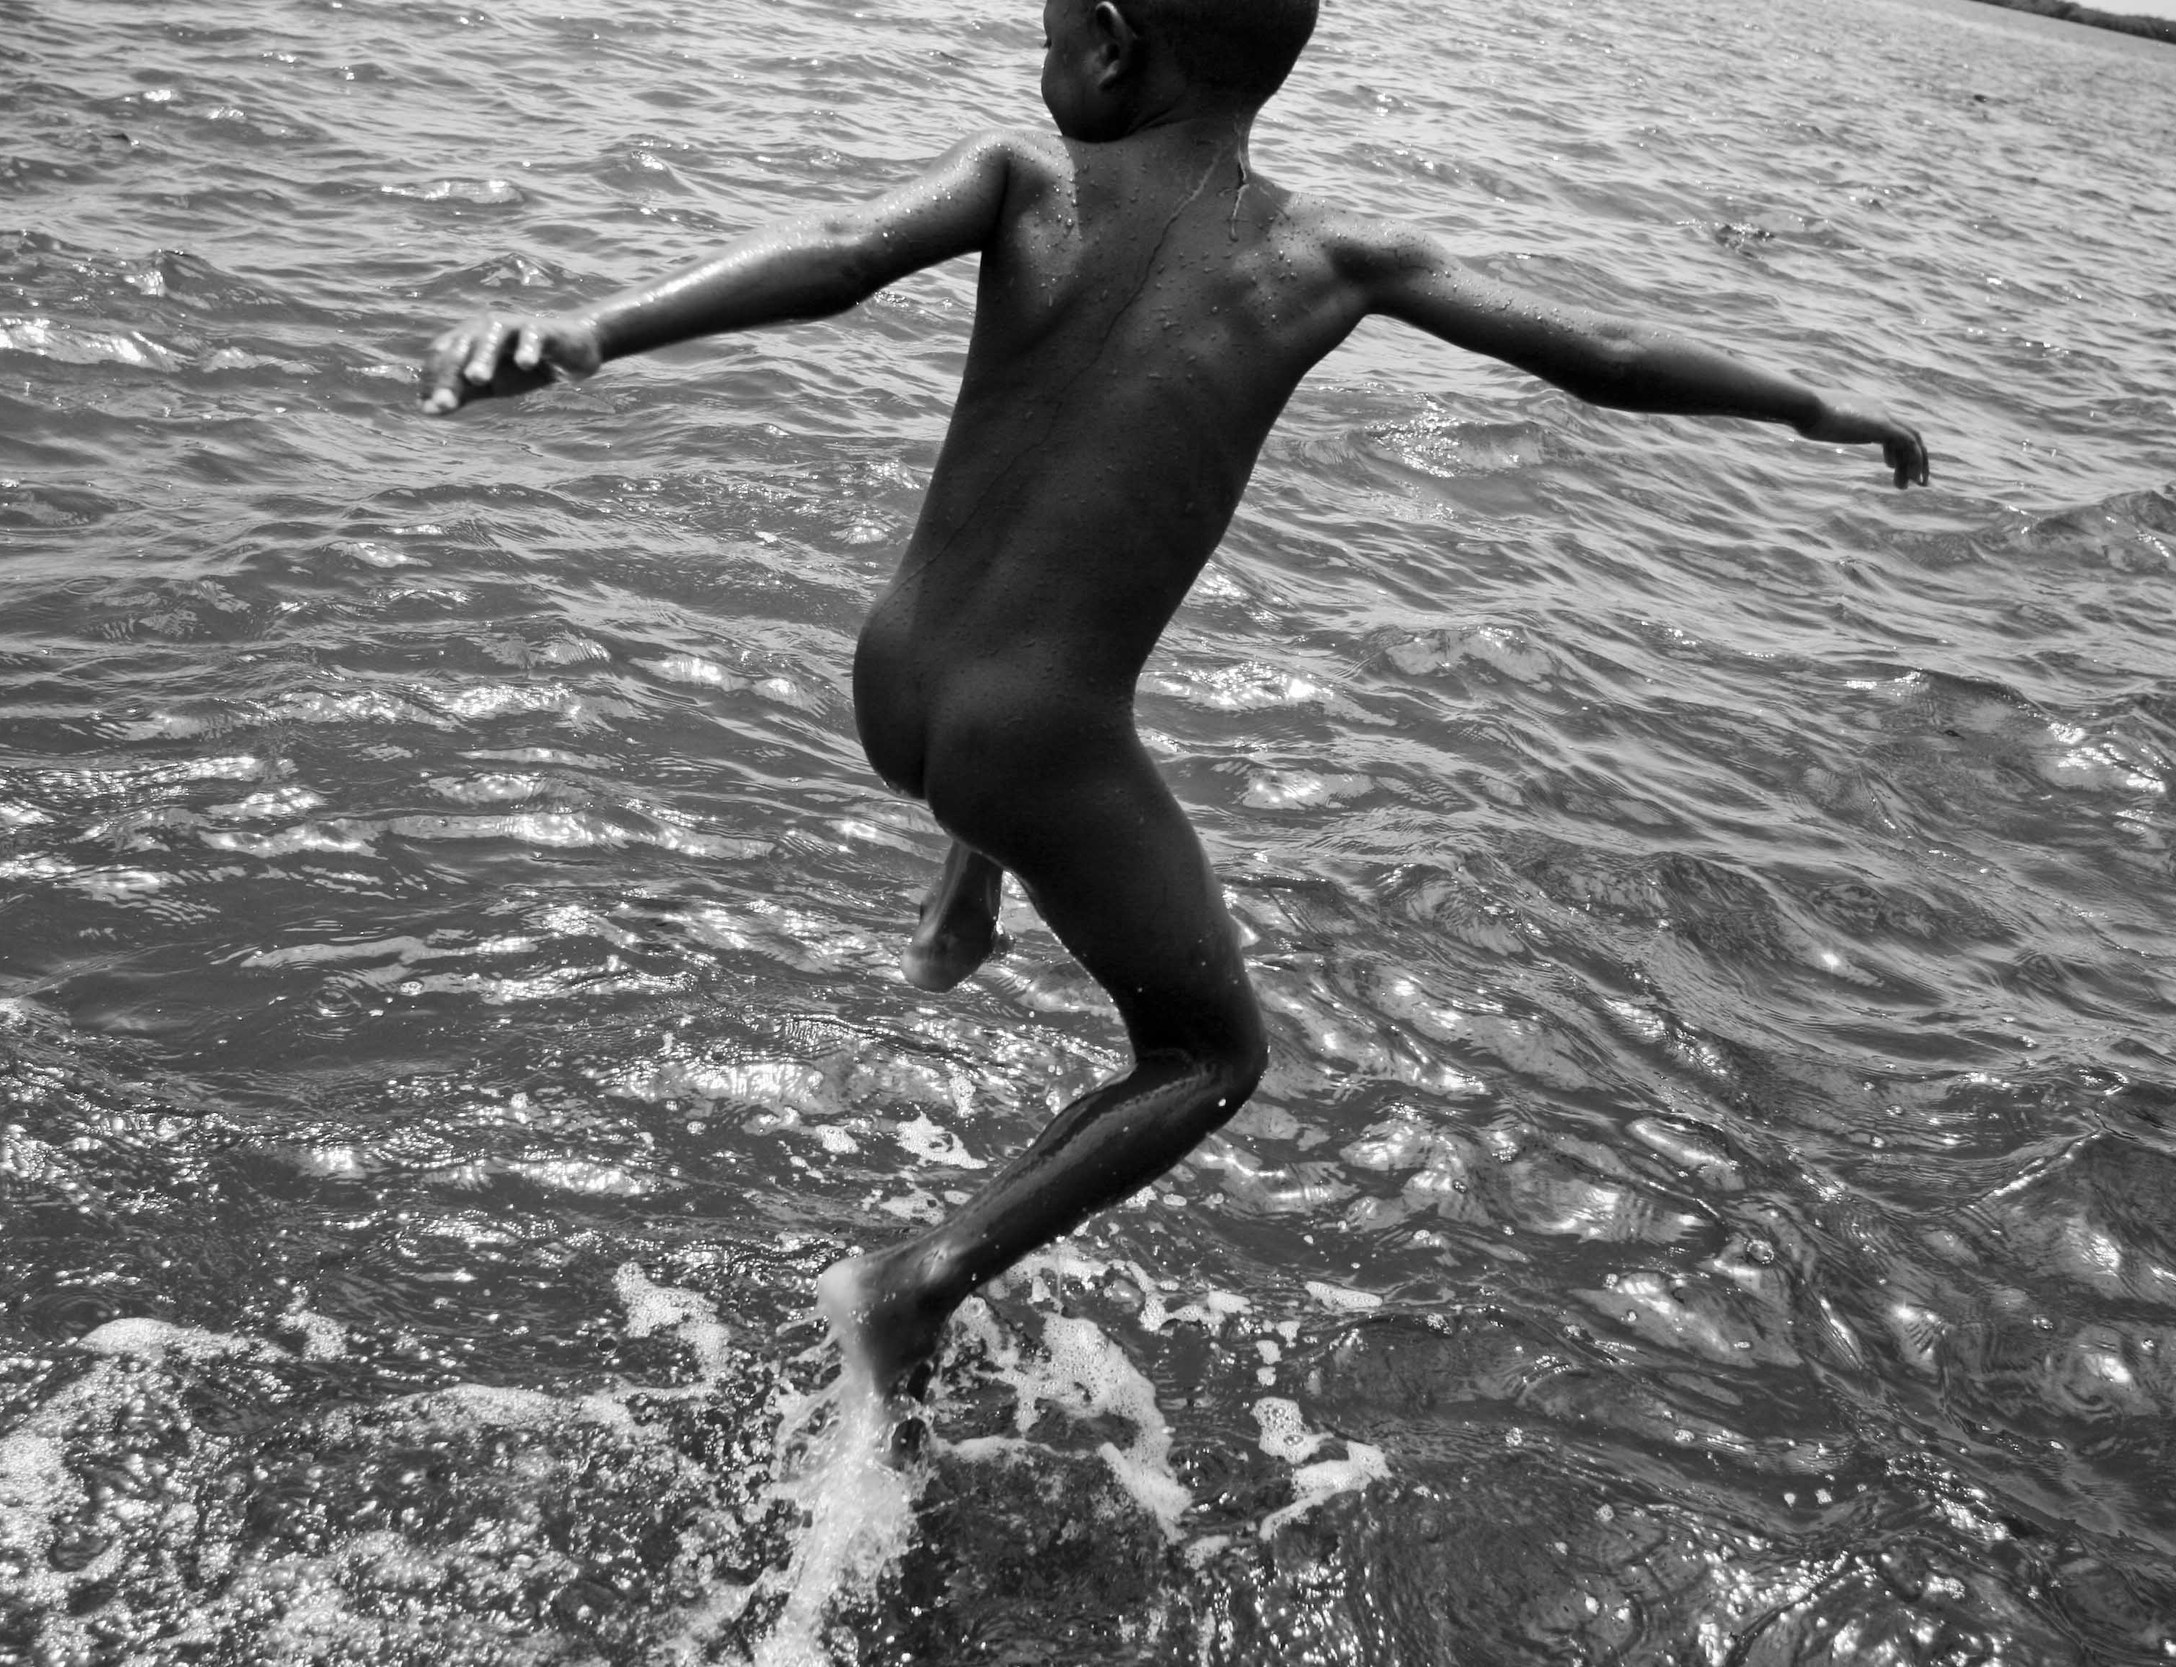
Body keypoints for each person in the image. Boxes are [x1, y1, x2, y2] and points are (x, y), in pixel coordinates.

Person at [420, 0, 1929, 1415]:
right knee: (1212, 1055)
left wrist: (597, 327)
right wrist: (1815, 408)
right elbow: (1600, 357)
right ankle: (918, 1282)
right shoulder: (1336, 259)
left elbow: (835, 252)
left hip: (895, 682)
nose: (1043, 52)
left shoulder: (1024, 179)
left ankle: (965, 898)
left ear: (1123, 54)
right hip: (1033, 748)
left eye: (1056, 26)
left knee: (1034, 728)